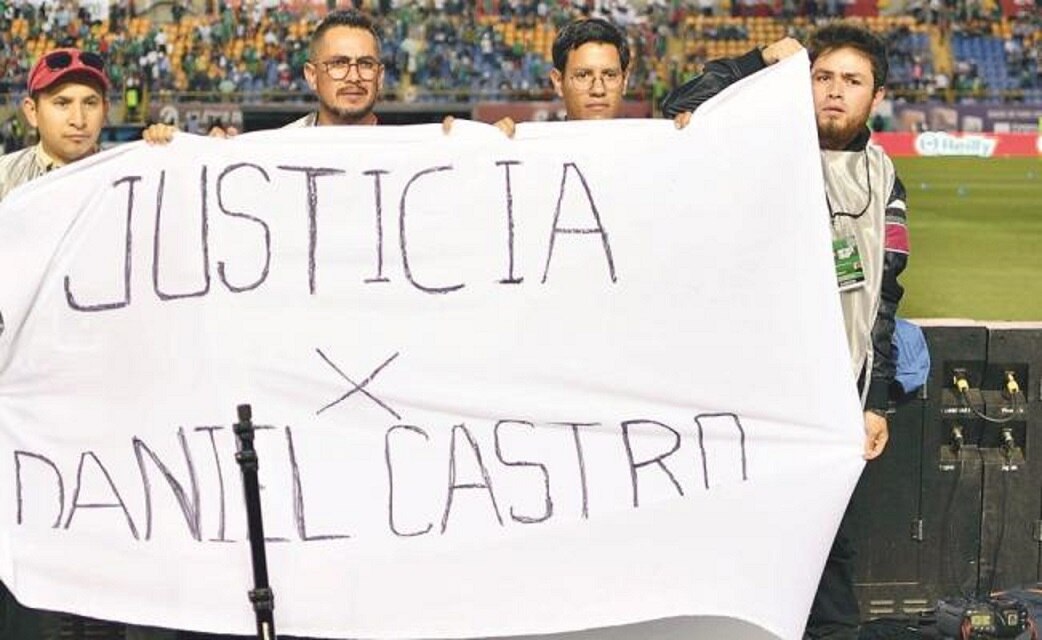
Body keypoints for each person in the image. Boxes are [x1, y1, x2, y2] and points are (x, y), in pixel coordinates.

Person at [662, 23, 910, 640]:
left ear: (875, 97)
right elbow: (681, 107)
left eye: (851, 81)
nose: (834, 91)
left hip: (833, 402)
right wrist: (764, 58)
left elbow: (886, 296)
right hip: (755, 394)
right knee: (739, 541)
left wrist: (874, 403)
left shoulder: (884, 179)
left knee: (829, 554)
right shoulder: (763, 144)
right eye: (822, 78)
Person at [143, 8, 384, 143]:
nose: (354, 76)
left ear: (380, 77)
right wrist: (188, 151)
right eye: (338, 64)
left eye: (365, 64)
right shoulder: (279, 147)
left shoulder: (411, 154)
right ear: (311, 75)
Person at [0, 47, 109, 201]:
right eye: (62, 103)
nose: (78, 120)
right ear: (32, 112)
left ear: (105, 111)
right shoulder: (5, 177)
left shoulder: (130, 176)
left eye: (90, 103)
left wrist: (154, 154)